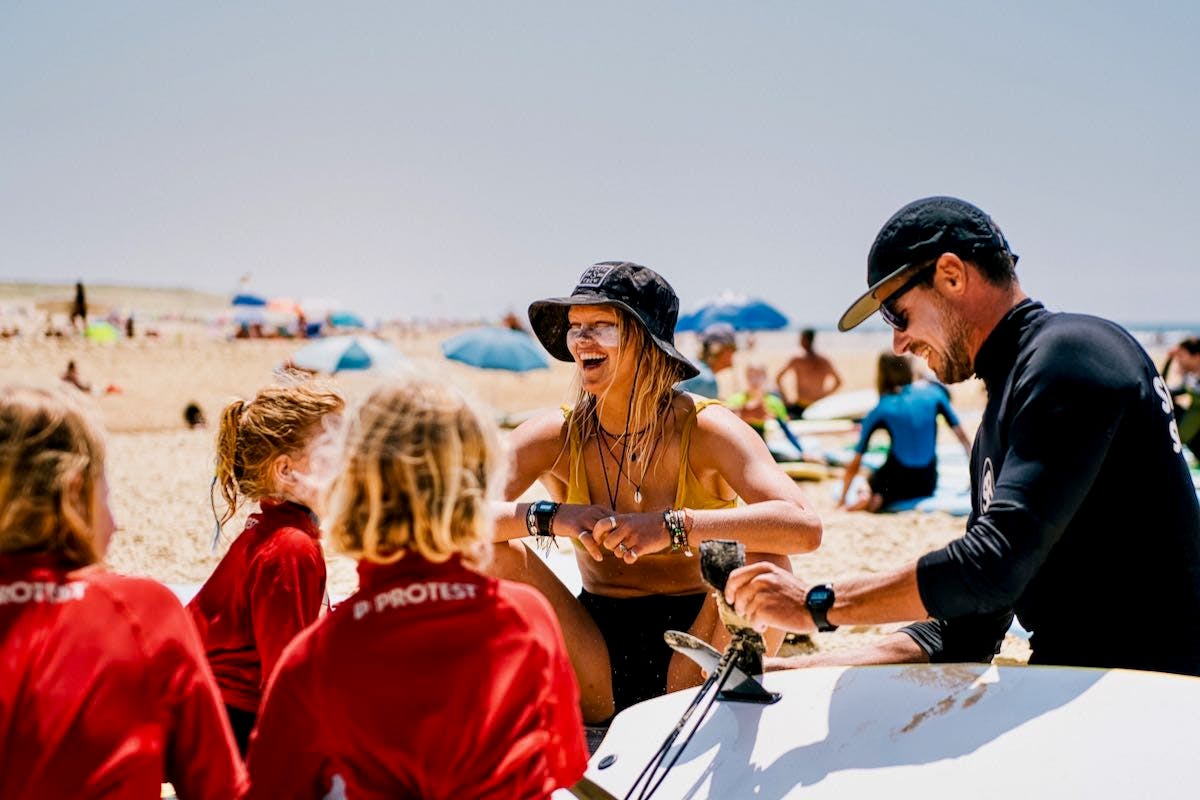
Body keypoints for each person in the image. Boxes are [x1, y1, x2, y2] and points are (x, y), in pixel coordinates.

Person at [725, 196, 1200, 676]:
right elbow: (965, 630)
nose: (898, 343)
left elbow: (991, 567)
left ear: (951, 275)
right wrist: (795, 671)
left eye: (897, 314)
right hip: (1076, 680)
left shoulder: (1073, 354)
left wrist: (817, 603)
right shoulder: (1001, 418)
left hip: (1156, 691)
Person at [490, 262, 822, 723]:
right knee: (490, 551)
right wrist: (552, 516)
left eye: (601, 326)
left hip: (699, 643)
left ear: (645, 340)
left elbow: (804, 527)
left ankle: (717, 691)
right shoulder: (556, 435)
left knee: (765, 557)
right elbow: (448, 515)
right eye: (575, 328)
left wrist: (672, 528)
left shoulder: (708, 429)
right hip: (593, 657)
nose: (581, 340)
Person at [247, 378, 588, 799]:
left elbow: (272, 787)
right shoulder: (526, 618)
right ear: (474, 496)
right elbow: (566, 763)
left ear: (349, 494)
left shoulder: (316, 655)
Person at [0, 387, 245, 797]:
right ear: (74, 492)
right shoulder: (140, 613)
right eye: (105, 491)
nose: (116, 524)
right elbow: (220, 790)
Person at [187, 383, 344, 755]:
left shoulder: (275, 530)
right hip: (231, 723)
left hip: (214, 712)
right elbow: (283, 681)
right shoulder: (289, 547)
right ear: (286, 471)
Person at [838, 353, 971, 511]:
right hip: (927, 483)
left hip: (896, 480)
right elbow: (963, 438)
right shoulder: (935, 394)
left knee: (871, 479)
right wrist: (973, 477)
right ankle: (881, 497)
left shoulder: (881, 407)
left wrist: (842, 499)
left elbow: (857, 459)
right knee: (900, 478)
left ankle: (872, 494)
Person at [724, 363, 810, 461]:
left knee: (792, 459)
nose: (754, 380)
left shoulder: (774, 402)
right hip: (739, 448)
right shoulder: (735, 400)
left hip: (762, 448)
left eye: (758, 376)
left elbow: (786, 431)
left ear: (765, 377)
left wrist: (802, 452)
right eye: (751, 376)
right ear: (746, 377)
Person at [775, 328, 842, 417]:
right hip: (819, 404)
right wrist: (825, 395)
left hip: (800, 406)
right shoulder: (824, 360)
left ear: (804, 339)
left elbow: (778, 378)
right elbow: (838, 382)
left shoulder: (797, 359)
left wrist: (786, 398)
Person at [676, 322, 737, 399]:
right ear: (719, 350)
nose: (735, 352)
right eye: (733, 347)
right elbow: (707, 410)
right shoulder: (707, 380)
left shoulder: (693, 367)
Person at [1163, 336, 1200, 460]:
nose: (1179, 361)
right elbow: (1163, 391)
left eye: (1182, 356)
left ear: (1197, 357)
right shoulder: (1191, 379)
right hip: (1190, 436)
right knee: (1166, 404)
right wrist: (1169, 359)